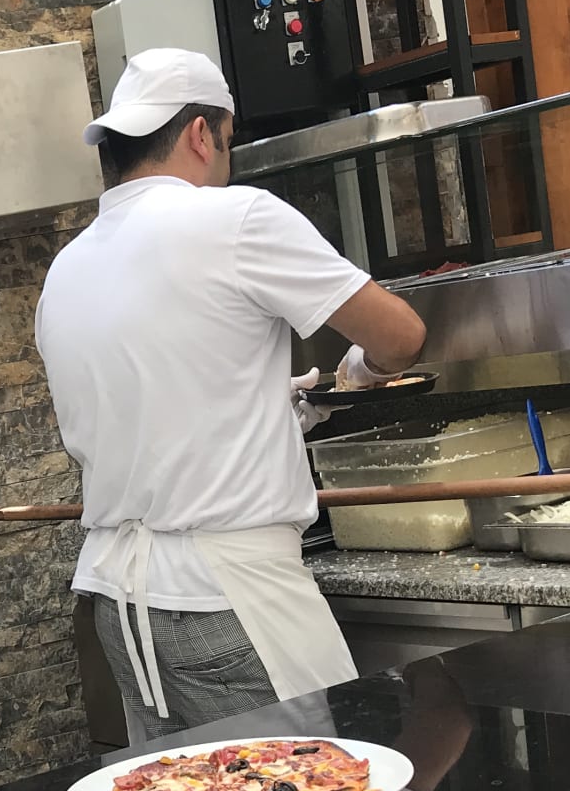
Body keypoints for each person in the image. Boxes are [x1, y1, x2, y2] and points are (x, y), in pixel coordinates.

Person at [36, 47, 427, 746]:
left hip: (121, 607)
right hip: (231, 596)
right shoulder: (237, 218)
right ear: (200, 133)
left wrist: (267, 404)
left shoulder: (65, 269)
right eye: (227, 138)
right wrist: (361, 370)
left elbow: (155, 406)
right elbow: (401, 337)